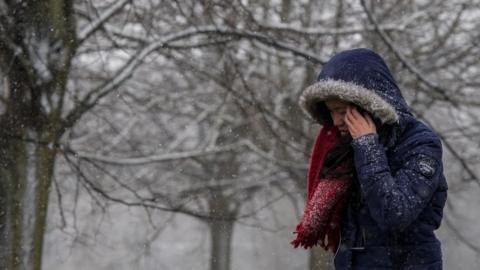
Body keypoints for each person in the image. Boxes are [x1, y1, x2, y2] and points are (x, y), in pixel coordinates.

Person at [291, 48, 448, 270]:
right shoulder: (344, 150)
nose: (336, 121)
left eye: (342, 110)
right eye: (331, 112)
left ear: (368, 103)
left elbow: (394, 213)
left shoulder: (421, 144)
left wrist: (367, 146)